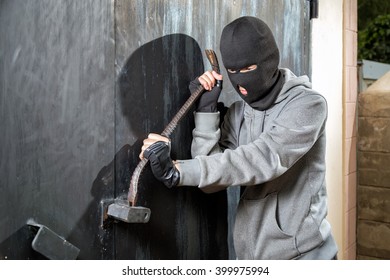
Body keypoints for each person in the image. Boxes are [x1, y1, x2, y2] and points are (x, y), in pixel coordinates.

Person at [140, 16, 338, 260]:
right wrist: (206, 111)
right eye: (232, 70)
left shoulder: (308, 105)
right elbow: (211, 181)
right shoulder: (237, 114)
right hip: (251, 257)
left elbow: (264, 159)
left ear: (268, 60)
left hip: (306, 256)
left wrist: (178, 171)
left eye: (248, 69)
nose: (240, 79)